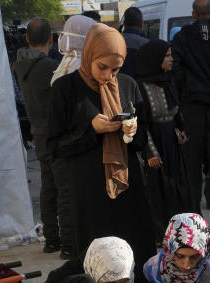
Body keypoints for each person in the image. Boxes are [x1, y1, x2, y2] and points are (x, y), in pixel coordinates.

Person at [47, 23, 155, 264]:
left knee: (133, 248)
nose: (108, 76)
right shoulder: (66, 89)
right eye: (102, 67)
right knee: (96, 257)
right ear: (89, 55)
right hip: (89, 190)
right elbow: (53, 146)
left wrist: (132, 131)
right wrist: (91, 130)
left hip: (127, 185)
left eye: (115, 69)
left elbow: (141, 140)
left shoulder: (128, 85)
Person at [171, 0, 210, 211]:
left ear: (193, 14)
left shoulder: (181, 38)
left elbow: (175, 69)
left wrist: (186, 88)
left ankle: (192, 204)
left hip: (192, 105)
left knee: (192, 158)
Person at [133, 40, 192, 238]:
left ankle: (182, 229)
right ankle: (162, 233)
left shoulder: (168, 80)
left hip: (172, 142)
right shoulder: (140, 86)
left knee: (178, 185)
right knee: (159, 189)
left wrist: (181, 130)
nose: (171, 59)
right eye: (167, 55)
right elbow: (143, 122)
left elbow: (175, 111)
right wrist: (150, 151)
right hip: (155, 142)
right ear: (155, 59)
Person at [12, 19, 62, 254]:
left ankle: (51, 239)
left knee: (48, 188)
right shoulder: (51, 67)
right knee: (63, 189)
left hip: (37, 130)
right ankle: (66, 242)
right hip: (56, 132)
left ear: (27, 39)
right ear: (51, 40)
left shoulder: (18, 66)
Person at [50, 14, 98, 259]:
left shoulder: (64, 64)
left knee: (66, 194)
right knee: (73, 195)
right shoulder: (79, 68)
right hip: (75, 142)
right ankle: (72, 244)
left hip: (65, 142)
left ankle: (69, 243)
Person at [119, 7, 149, 77]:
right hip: (140, 86)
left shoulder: (113, 41)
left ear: (124, 24)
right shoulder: (147, 44)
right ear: (142, 24)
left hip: (117, 85)